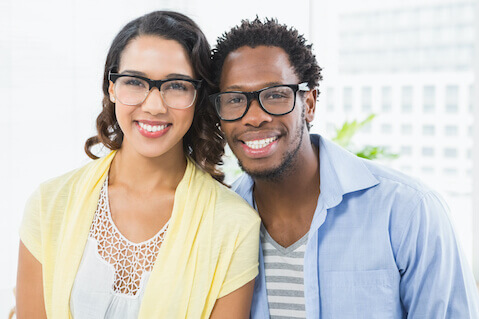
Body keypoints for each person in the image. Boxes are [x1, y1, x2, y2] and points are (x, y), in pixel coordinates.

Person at [210, 17, 479, 318]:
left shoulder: (410, 211)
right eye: (235, 99)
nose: (254, 117)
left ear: (309, 104)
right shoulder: (218, 222)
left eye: (275, 95)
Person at [16, 11, 260, 318]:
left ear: (198, 97)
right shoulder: (48, 204)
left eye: (176, 85)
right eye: (135, 81)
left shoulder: (234, 225)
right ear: (111, 88)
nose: (155, 106)